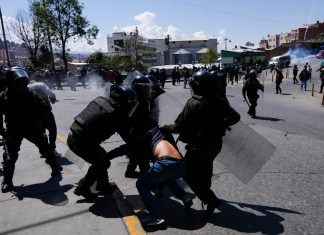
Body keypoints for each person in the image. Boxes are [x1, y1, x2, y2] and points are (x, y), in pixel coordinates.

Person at [160, 70, 240, 218]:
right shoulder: (219, 100)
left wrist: (165, 127)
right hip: (215, 144)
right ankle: (208, 196)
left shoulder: (194, 103)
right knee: (206, 168)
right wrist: (221, 125)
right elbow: (235, 117)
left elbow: (179, 127)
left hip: (198, 146)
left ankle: (211, 200)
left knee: (188, 174)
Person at [107, 126, 193, 228]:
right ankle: (184, 196)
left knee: (141, 184)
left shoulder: (145, 137)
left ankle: (155, 216)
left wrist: (107, 156)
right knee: (166, 176)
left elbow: (124, 148)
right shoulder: (159, 134)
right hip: (181, 166)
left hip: (166, 163)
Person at [67, 84, 139, 200]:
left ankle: (103, 185)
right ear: (124, 102)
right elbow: (129, 139)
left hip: (74, 136)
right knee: (102, 163)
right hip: (81, 142)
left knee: (101, 157)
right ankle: (83, 187)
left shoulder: (101, 101)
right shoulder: (117, 114)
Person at [0, 67, 62, 193]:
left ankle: (55, 168)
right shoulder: (4, 96)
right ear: (11, 83)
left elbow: (45, 108)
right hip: (13, 129)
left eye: (22, 82)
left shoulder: (30, 94)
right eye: (18, 82)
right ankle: (7, 181)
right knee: (10, 157)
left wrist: (40, 122)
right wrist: (3, 133)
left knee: (46, 148)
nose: (21, 85)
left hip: (31, 128)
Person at [27, 73, 59, 157]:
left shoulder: (27, 87)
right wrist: (53, 100)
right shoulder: (41, 84)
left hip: (34, 115)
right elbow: (51, 94)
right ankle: (52, 148)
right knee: (52, 130)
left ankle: (43, 150)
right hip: (46, 112)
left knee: (40, 133)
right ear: (39, 79)